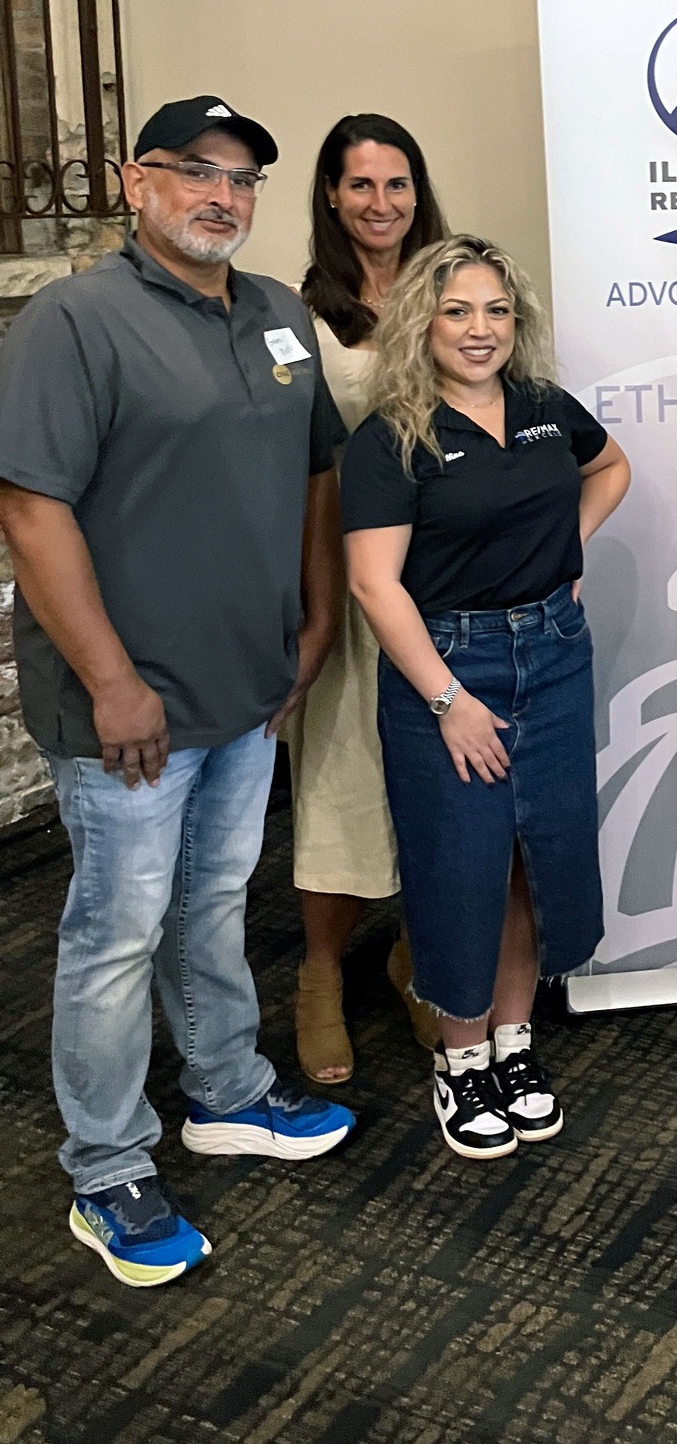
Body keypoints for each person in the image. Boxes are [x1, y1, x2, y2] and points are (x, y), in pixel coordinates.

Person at [0, 95, 355, 1289]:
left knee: (211, 904)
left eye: (243, 177)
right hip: (128, 712)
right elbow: (29, 509)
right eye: (195, 170)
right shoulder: (74, 321)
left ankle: (226, 1092)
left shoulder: (279, 313)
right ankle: (105, 1169)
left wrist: (315, 619)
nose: (222, 194)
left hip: (245, 686)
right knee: (115, 933)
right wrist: (111, 680)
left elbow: (316, 473)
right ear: (135, 181)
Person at [342, 236, 630, 1159]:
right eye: (458, 311)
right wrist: (447, 701)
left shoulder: (543, 407)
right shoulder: (392, 437)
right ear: (421, 323)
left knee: (533, 856)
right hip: (449, 666)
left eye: (496, 311)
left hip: (553, 655)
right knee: (458, 863)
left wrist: (568, 552)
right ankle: (460, 1058)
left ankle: (514, 1041)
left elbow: (611, 468)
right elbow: (374, 584)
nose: (480, 329)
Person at [288, 112, 448, 1084]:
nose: (381, 203)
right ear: (331, 195)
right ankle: (318, 975)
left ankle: (420, 957)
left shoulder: (455, 291)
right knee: (342, 774)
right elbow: (302, 469)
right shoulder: (298, 317)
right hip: (350, 580)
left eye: (397, 184)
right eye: (361, 184)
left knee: (441, 779)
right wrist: (310, 608)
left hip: (449, 576)